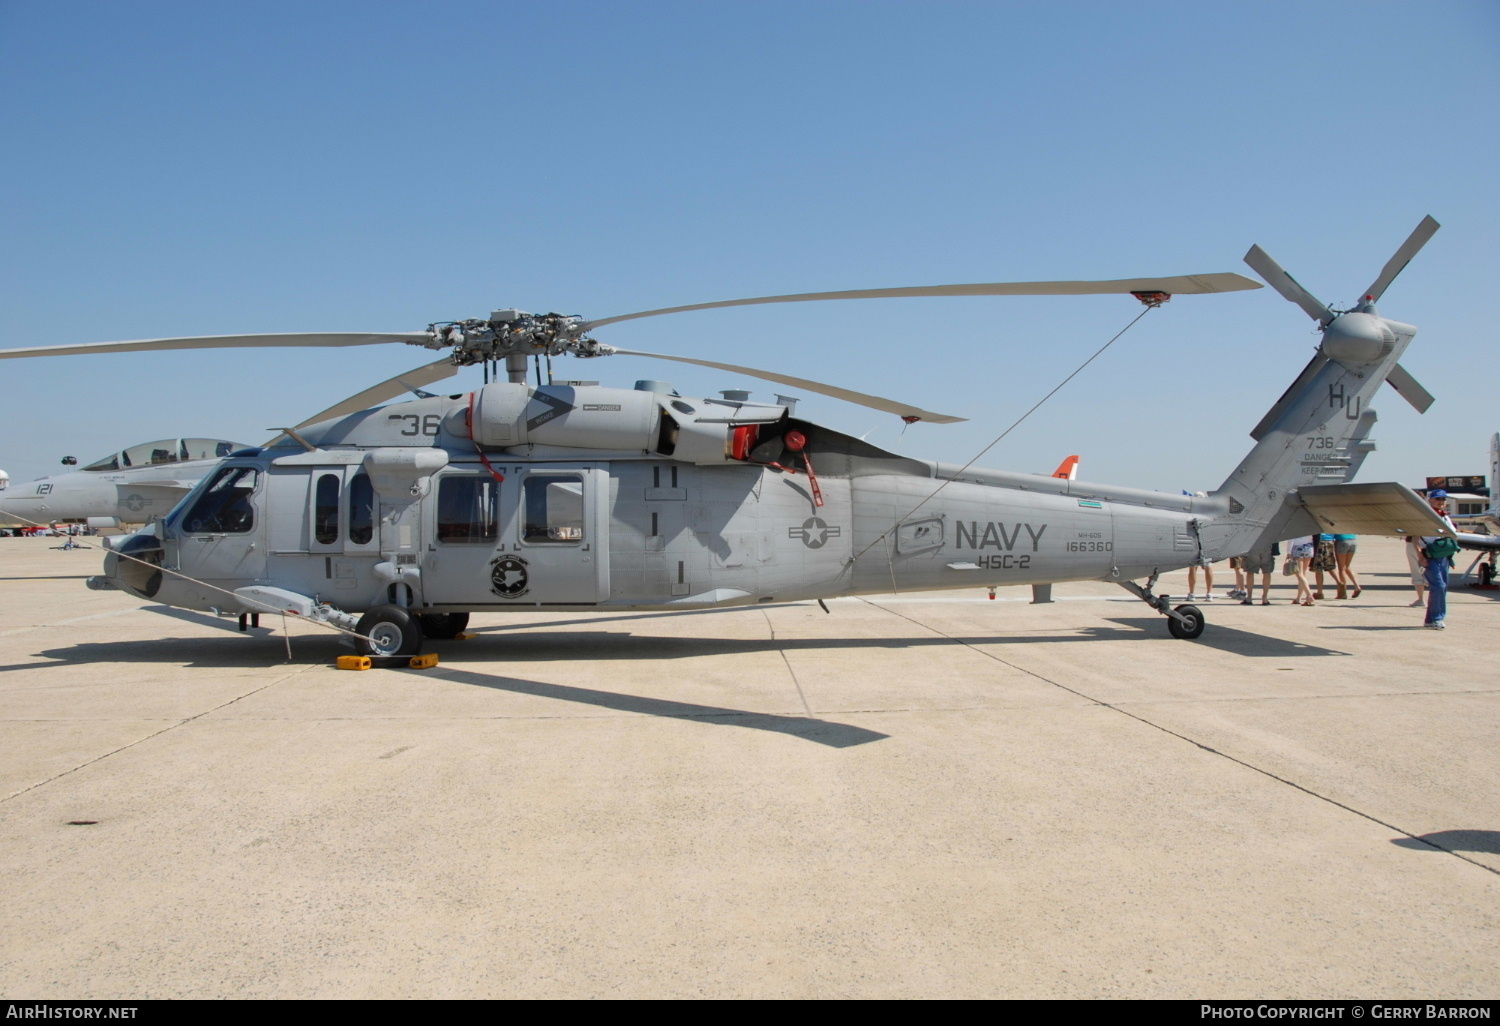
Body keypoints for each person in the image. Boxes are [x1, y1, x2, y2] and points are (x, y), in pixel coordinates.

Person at [1418, 489, 1458, 629]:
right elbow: (1414, 537)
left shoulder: (1445, 517)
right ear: (1430, 501)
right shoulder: (1425, 516)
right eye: (1438, 499)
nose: (1441, 502)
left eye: (1443, 499)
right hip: (1430, 557)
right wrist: (1420, 556)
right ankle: (1437, 618)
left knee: (1442, 588)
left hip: (1444, 557)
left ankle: (1430, 620)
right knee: (1438, 586)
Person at [1287, 535, 1316, 605]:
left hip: (1298, 547)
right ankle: (1298, 598)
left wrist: (1288, 552)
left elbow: (1291, 539)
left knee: (1299, 574)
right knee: (1303, 574)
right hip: (1309, 546)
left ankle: (1309, 595)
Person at [1333, 533, 1361, 600]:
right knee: (1347, 566)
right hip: (1353, 540)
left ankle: (1343, 592)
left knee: (1342, 568)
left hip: (1342, 540)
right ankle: (1357, 586)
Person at [1311, 534, 1337, 600]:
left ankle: (1320, 592)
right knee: (1330, 565)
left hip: (1320, 540)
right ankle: (1340, 583)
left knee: (1318, 568)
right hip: (1330, 540)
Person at [1404, 535, 1427, 607]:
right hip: (1433, 544)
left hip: (1416, 543)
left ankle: (1421, 599)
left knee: (1416, 572)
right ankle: (1436, 600)